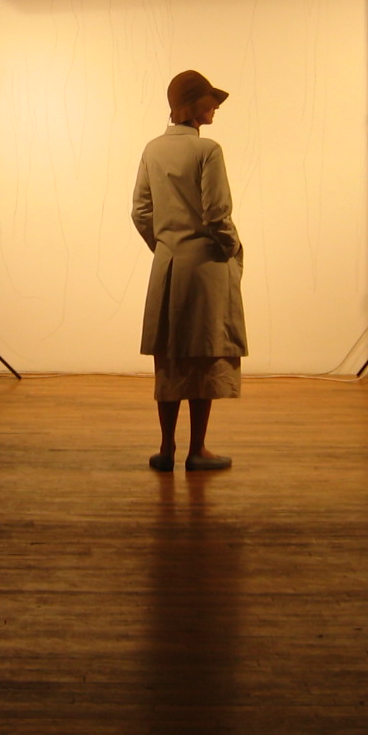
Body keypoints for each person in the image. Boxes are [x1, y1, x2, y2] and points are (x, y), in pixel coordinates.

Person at [132, 70, 247, 472]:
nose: (215, 106)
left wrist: (164, 245)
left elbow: (141, 211)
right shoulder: (208, 150)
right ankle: (197, 450)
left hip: (167, 267)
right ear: (194, 106)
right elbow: (218, 213)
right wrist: (230, 247)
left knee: (169, 359)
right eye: (210, 101)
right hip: (204, 268)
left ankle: (165, 449)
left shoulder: (152, 149)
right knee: (202, 358)